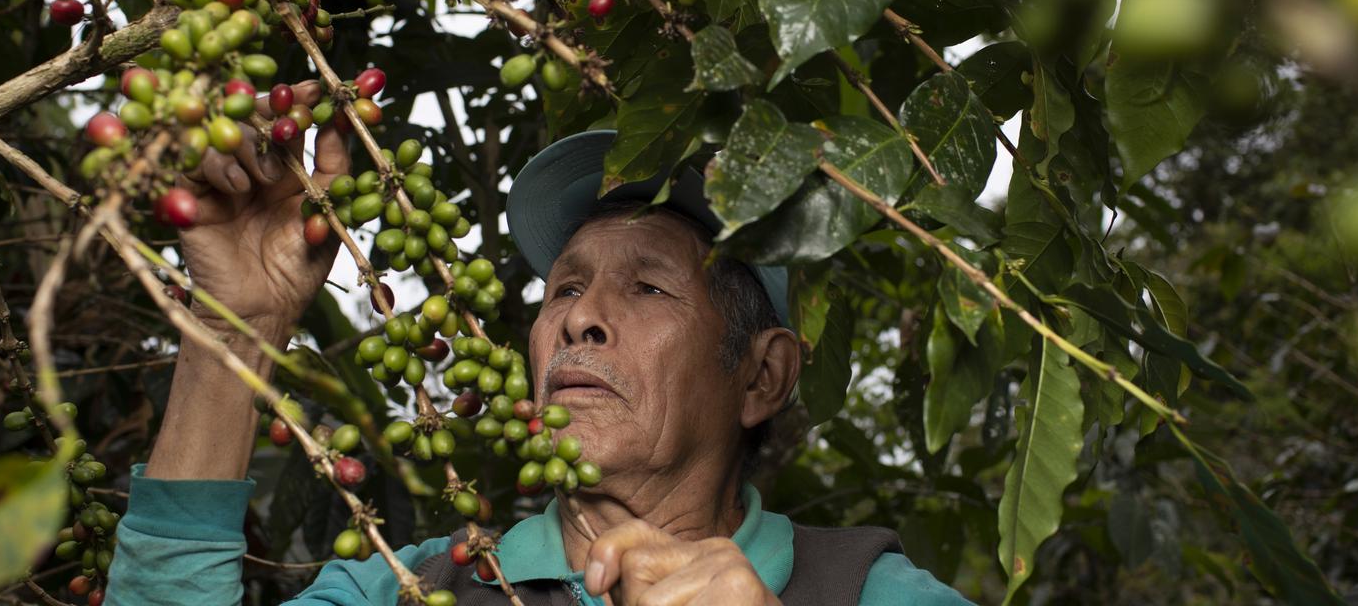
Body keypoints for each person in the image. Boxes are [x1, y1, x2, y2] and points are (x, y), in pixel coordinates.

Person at [105, 121, 972, 605]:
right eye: (563, 290)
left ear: (761, 376)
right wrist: (237, 329)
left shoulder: (865, 592)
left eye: (649, 290)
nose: (581, 319)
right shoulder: (412, 591)